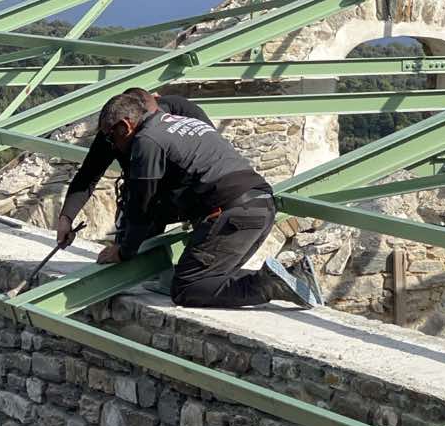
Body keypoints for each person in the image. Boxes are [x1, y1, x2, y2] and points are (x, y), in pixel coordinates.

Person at [94, 92, 319, 309]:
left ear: (125, 126)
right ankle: (294, 276)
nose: (112, 145)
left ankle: (269, 285)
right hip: (261, 206)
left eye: (111, 137)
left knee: (187, 288)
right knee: (213, 277)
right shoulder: (181, 122)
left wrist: (124, 251)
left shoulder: (147, 140)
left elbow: (142, 204)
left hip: (232, 213)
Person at [55, 88, 211, 248]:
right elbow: (88, 176)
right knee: (131, 243)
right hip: (142, 193)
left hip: (191, 191)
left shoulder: (181, 110)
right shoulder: (112, 133)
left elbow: (211, 159)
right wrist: (66, 218)